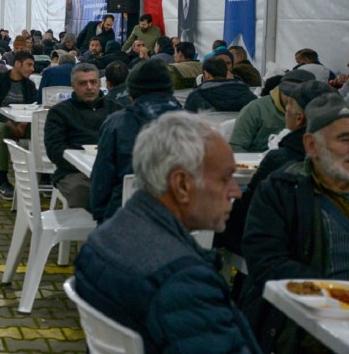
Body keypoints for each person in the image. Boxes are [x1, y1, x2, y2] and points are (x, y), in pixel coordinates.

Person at [75, 111, 259, 353]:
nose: (236, 192)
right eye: (225, 179)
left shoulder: (106, 237)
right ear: (182, 185)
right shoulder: (181, 281)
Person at [240, 93, 349, 353]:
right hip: (307, 330)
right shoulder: (283, 190)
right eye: (346, 140)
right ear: (312, 145)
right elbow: (266, 263)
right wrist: (342, 295)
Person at [215, 81, 334, 257]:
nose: (286, 111)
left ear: (299, 118)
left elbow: (248, 208)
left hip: (281, 251)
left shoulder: (281, 160)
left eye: (288, 107)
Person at [90, 58, 181, 222]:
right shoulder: (195, 125)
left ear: (131, 94)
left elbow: (101, 183)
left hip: (126, 221)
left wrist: (101, 218)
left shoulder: (116, 124)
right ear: (170, 89)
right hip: (185, 224)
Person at [44, 63, 124, 209]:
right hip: (74, 172)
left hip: (112, 171)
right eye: (82, 83)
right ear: (73, 86)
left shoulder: (116, 109)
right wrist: (80, 161)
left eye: (93, 82)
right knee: (87, 194)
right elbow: (55, 150)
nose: (89, 87)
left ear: (100, 83)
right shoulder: (59, 112)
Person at [0, 51, 38, 200]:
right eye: (29, 65)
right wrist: (7, 121)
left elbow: (34, 107)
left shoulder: (30, 85)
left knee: (40, 131)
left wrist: (23, 124)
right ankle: (3, 181)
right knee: (3, 130)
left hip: (23, 124)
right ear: (17, 64)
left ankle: (43, 176)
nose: (32, 69)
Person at [230, 69, 314, 153]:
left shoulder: (315, 113)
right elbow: (236, 146)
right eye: (288, 94)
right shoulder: (255, 109)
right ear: (280, 90)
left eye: (299, 97)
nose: (292, 100)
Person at [184, 56, 257, 112]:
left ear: (206, 74)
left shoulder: (195, 96)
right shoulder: (247, 94)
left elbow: (186, 123)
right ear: (226, 73)